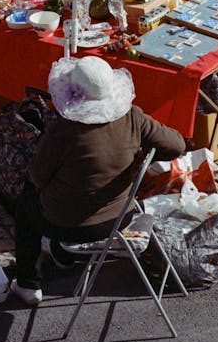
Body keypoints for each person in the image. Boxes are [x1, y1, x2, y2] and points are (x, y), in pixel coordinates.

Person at [10, 56, 186, 306]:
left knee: (26, 206)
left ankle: (27, 284)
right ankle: (62, 254)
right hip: (119, 218)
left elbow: (37, 177)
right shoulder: (133, 118)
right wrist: (140, 152)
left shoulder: (64, 130)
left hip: (67, 223)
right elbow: (177, 145)